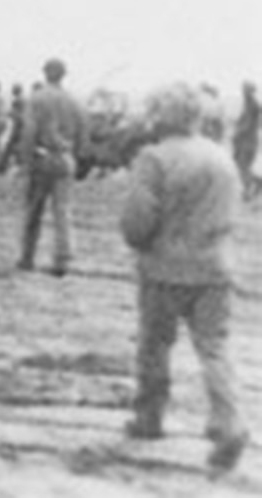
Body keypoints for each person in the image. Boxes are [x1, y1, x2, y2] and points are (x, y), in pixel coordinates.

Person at [119, 83, 248, 473]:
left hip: (164, 269)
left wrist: (138, 239)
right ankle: (230, 421)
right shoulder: (221, 157)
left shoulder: (153, 158)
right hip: (215, 268)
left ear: (161, 115)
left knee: (154, 345)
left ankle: (149, 417)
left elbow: (138, 223)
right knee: (214, 347)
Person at [18, 59, 85, 275]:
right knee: (63, 211)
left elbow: (29, 132)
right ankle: (62, 259)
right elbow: (84, 133)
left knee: (33, 211)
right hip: (65, 157)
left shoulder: (36, 98)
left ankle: (27, 256)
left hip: (42, 157)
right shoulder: (73, 100)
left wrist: (26, 161)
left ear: (45, 73)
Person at [233, 81, 259, 200]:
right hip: (248, 140)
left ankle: (248, 191)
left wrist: (237, 133)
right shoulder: (249, 104)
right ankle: (255, 183)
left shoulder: (252, 105)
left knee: (242, 166)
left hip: (247, 141)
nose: (242, 92)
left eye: (245, 89)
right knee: (241, 166)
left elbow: (248, 125)